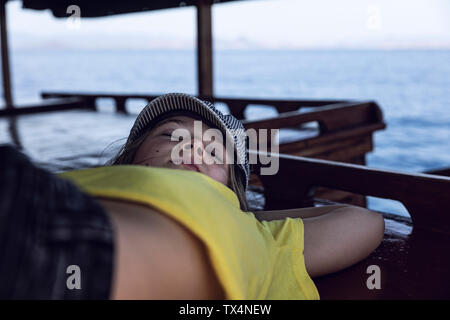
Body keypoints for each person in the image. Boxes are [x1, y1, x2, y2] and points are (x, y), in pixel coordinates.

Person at [0, 93, 384, 300]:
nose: (195, 150)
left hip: (69, 255)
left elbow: (365, 221)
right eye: (172, 136)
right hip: (41, 209)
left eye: (216, 152)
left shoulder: (264, 239)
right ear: (128, 158)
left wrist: (242, 213)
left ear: (233, 189)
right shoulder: (83, 180)